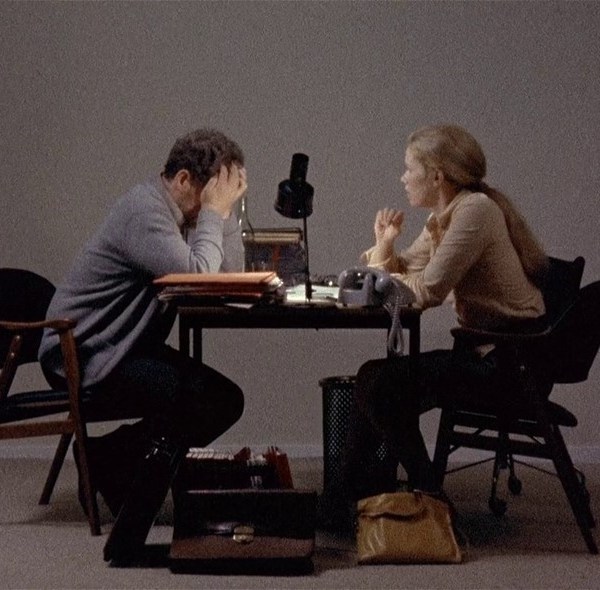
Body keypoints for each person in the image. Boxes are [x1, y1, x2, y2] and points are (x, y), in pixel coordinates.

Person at [39, 128, 248, 517]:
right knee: (197, 398)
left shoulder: (179, 215)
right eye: (212, 192)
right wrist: (212, 215)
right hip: (84, 351)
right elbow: (198, 275)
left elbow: (230, 275)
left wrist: (226, 214)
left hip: (124, 346)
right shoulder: (144, 211)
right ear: (183, 179)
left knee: (224, 399)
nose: (213, 204)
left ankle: (106, 457)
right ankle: (111, 464)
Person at [342, 124, 549, 503]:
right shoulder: (445, 217)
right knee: (374, 380)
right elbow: (405, 270)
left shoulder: (475, 212)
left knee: (379, 384)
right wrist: (385, 244)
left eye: (410, 169)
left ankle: (427, 494)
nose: (403, 178)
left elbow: (426, 291)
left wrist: (386, 276)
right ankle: (350, 498)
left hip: (511, 362)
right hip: (487, 352)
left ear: (437, 176)